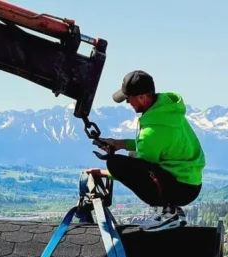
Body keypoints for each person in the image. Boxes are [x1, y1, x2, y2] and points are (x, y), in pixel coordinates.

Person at [88, 70, 205, 231]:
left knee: (115, 163)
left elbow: (140, 169)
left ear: (142, 97)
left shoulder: (153, 131)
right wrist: (118, 143)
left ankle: (166, 213)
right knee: (132, 155)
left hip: (180, 189)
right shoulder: (166, 112)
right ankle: (171, 209)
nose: (127, 102)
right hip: (189, 183)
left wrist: (104, 172)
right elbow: (155, 146)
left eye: (129, 97)